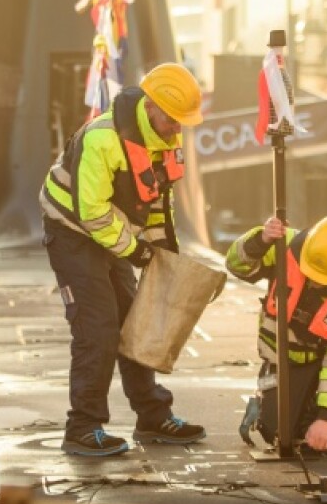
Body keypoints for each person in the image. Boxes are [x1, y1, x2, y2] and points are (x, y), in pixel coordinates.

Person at [39, 62, 208, 456]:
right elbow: (92, 213)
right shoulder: (103, 140)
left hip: (110, 231)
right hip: (72, 231)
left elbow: (154, 206)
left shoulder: (163, 140)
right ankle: (82, 426)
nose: (178, 128)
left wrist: (164, 260)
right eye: (173, 119)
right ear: (152, 107)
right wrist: (135, 251)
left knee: (135, 319)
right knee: (97, 327)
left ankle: (152, 416)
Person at [226, 213, 327, 452]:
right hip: (281, 360)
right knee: (276, 433)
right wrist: (261, 240)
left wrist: (326, 418)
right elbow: (236, 265)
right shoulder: (284, 244)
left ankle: (316, 427)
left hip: (319, 362)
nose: (313, 280)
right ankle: (269, 405)